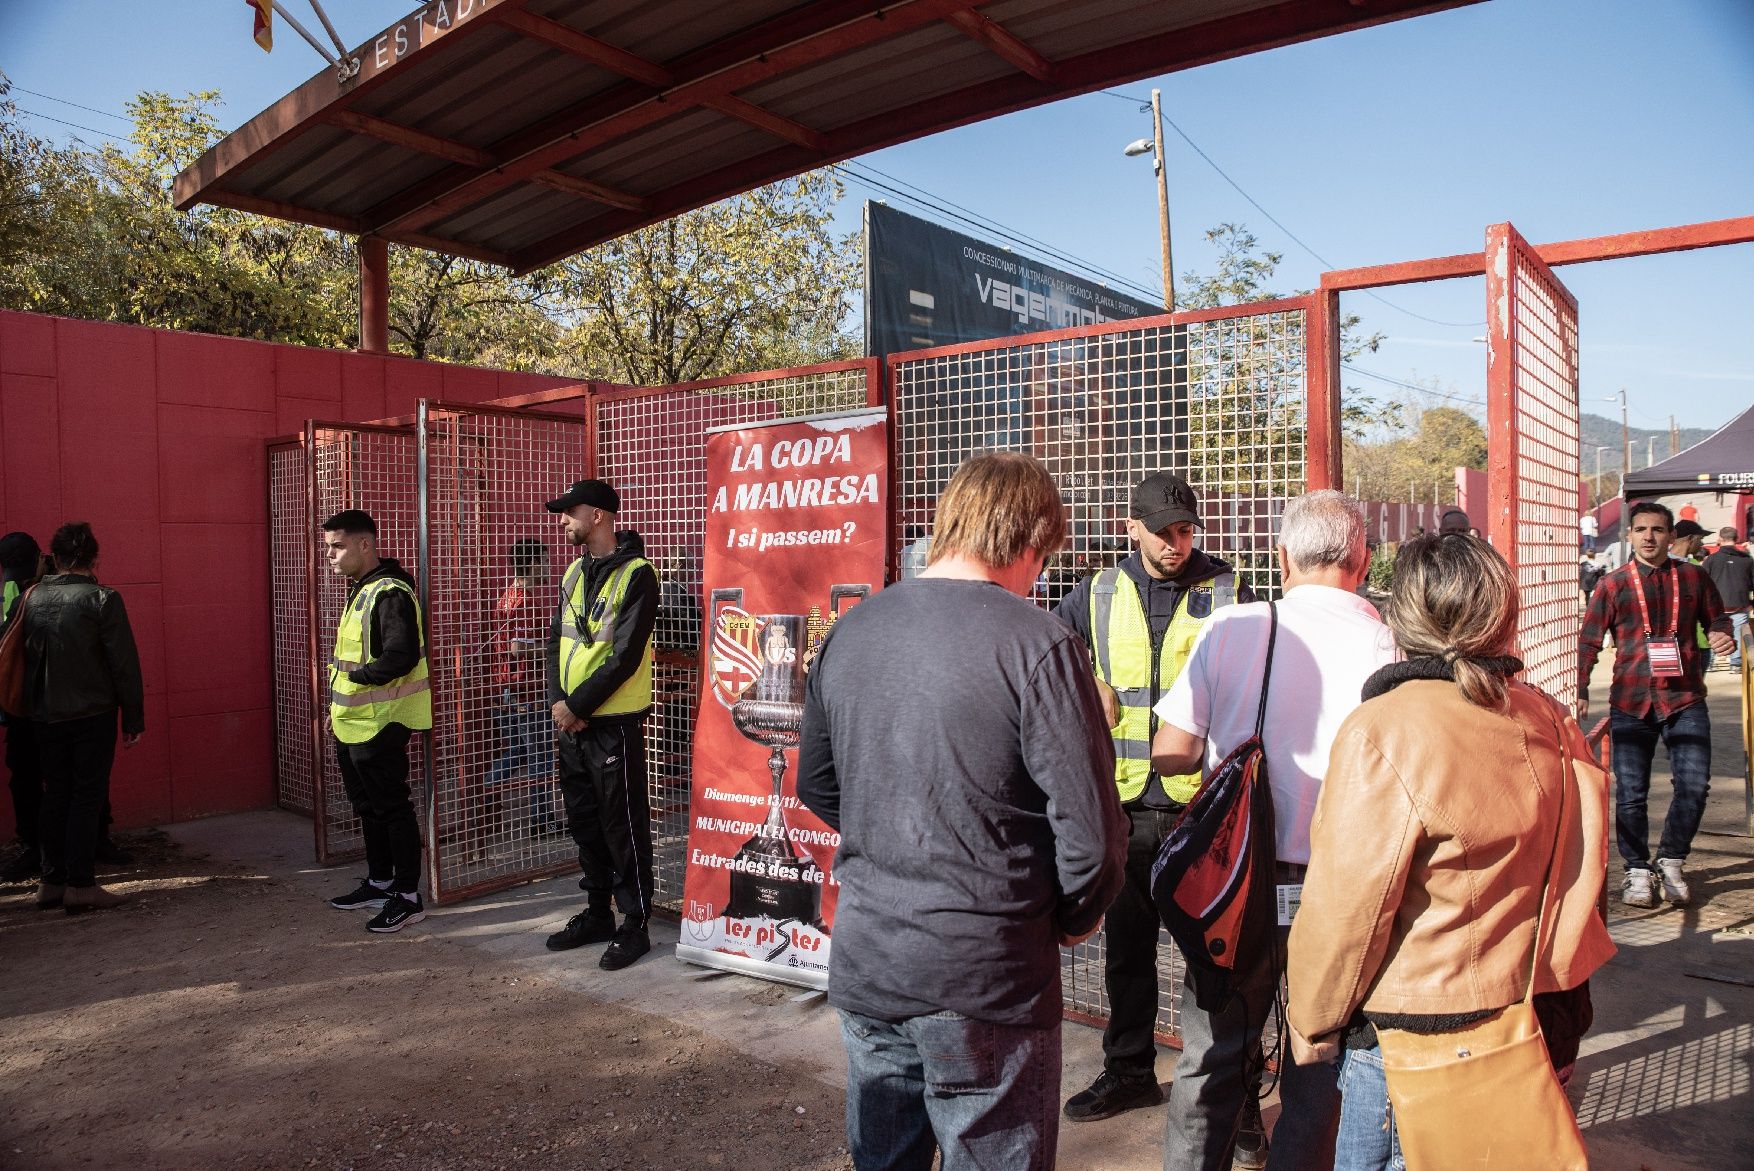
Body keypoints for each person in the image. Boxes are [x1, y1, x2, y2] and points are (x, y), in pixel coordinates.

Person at [797, 451, 1125, 1171]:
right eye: (1046, 555)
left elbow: (816, 787)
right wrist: (1073, 916)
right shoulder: (1041, 643)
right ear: (1031, 536)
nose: (1041, 576)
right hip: (986, 974)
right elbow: (1094, 837)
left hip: (872, 959)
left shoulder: (852, 630)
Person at [1286, 532, 1615, 1170]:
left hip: (1418, 1037)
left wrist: (1313, 1020)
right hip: (1540, 1014)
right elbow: (1587, 867)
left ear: (1399, 617)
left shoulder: (1384, 728)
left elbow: (1348, 911)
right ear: (1505, 615)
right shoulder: (1549, 716)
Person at [1149, 490, 1400, 1171]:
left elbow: (1170, 752)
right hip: (1345, 891)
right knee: (1321, 1058)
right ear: (1363, 559)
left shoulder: (1233, 627)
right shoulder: (1391, 644)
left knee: (1211, 1051)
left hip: (1239, 882)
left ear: (1282, 557)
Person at [1051, 471, 1255, 1134]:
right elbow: (1050, 653)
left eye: (1186, 529)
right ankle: (1131, 1070)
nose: (1177, 541)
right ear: (1129, 525)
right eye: (1164, 529)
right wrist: (1088, 677)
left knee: (1216, 963)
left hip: (1204, 810)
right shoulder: (1098, 592)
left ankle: (1236, 1095)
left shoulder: (1228, 590)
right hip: (1129, 806)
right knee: (1128, 951)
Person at [1578, 502, 1732, 909]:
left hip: (1684, 699)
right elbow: (1589, 641)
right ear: (1630, 535)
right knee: (1630, 793)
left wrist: (1721, 635)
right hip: (1631, 701)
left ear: (1670, 535)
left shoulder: (1694, 577)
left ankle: (1671, 859)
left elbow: (1718, 620)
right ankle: (1636, 870)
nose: (1649, 536)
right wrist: (1579, 689)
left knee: (1695, 788)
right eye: (1641, 529)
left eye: (1658, 530)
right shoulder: (1612, 585)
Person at [541, 479, 660, 970]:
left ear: (598, 516)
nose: (563, 520)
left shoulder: (638, 574)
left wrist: (579, 706)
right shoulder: (573, 571)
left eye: (570, 512)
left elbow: (625, 655)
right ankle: (597, 914)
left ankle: (635, 924)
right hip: (572, 723)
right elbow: (556, 642)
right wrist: (558, 702)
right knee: (584, 823)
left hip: (611, 724)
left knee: (623, 827)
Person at [17, 523, 145, 914]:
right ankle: (80, 884)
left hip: (43, 715)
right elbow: (123, 664)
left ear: (55, 558)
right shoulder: (103, 599)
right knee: (86, 796)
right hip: (92, 713)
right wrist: (133, 719)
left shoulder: (31, 597)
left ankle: (51, 881)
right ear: (94, 558)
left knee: (55, 793)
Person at [321, 509, 432, 934]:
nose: (330, 555)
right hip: (354, 719)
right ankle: (380, 880)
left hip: (381, 720)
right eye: (328, 547)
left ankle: (407, 895)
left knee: (391, 807)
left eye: (337, 546)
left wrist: (357, 678)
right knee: (368, 806)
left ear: (365, 545)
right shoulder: (364, 588)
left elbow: (399, 656)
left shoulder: (389, 592)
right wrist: (337, 707)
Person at [481, 537, 558, 840]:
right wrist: (556, 648)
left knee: (518, 751)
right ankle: (543, 821)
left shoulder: (507, 596)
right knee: (540, 756)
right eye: (546, 560)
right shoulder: (525, 601)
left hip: (506, 689)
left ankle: (483, 800)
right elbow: (518, 649)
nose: (550, 566)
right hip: (525, 691)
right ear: (535, 563)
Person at [1702, 527, 1752, 670]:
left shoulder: (1711, 560)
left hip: (1716, 604)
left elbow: (1703, 582)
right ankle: (1735, 663)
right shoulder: (1747, 560)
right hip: (1740, 602)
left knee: (1714, 632)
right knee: (1738, 632)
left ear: (1720, 539)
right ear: (1736, 539)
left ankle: (1711, 661)